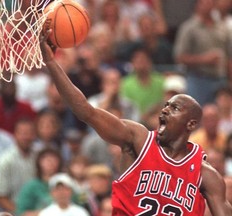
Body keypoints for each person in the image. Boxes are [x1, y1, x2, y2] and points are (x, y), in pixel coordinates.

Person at [40, 29, 232, 215]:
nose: (165, 110)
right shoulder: (138, 139)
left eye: (174, 108)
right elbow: (86, 111)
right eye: (165, 105)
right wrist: (51, 62)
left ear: (191, 124)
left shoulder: (205, 174)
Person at [0, 118, 37, 214]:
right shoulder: (5, 159)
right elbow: (0, 197)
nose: (26, 137)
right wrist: (21, 213)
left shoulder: (39, 156)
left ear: (34, 135)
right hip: (13, 210)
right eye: (22, 133)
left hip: (38, 209)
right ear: (15, 135)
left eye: (29, 133)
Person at [16, 148, 63, 216]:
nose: (51, 163)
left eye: (54, 160)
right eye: (47, 160)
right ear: (39, 162)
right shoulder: (31, 187)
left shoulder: (66, 184)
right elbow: (21, 213)